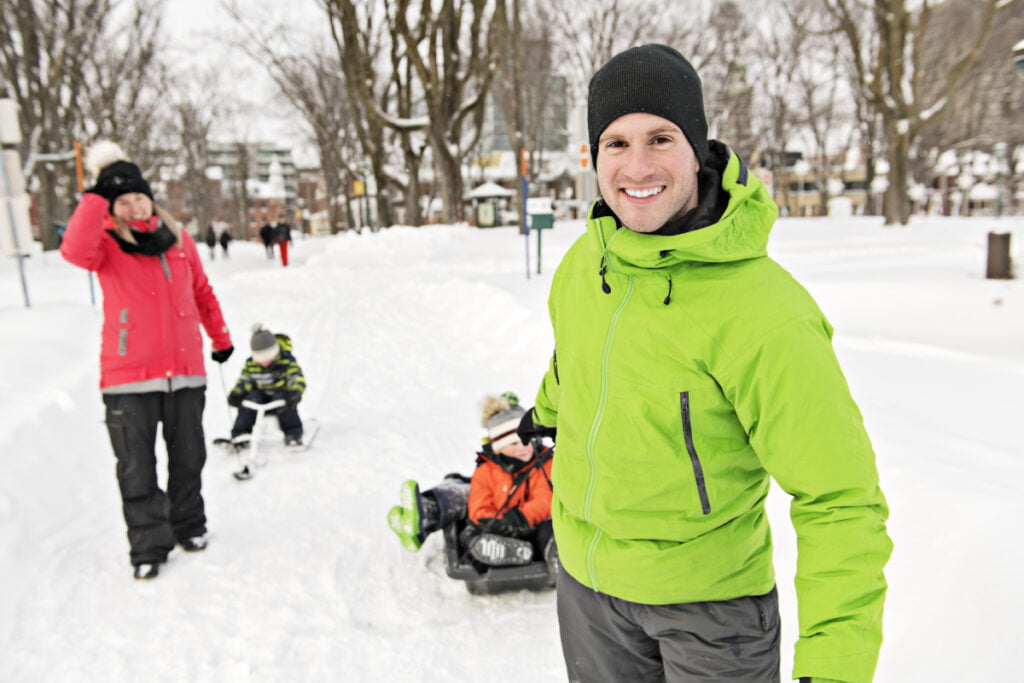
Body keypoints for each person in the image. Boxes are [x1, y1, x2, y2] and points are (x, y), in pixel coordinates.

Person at [516, 45, 892, 683]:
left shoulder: (764, 311)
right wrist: (544, 412)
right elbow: (574, 360)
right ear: (595, 157)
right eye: (616, 143)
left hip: (711, 615)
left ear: (696, 148)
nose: (638, 166)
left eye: (660, 139)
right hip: (586, 591)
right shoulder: (585, 263)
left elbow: (839, 498)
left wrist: (835, 667)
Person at [59, 141, 234, 581]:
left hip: (185, 372)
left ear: (150, 198)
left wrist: (220, 338)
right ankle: (148, 547)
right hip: (128, 377)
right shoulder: (104, 243)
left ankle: (189, 526)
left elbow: (201, 292)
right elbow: (73, 251)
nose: (134, 206)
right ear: (111, 206)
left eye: (139, 196)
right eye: (122, 200)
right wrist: (95, 197)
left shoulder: (178, 238)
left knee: (188, 458)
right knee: (137, 468)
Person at [387, 393, 555, 570]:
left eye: (527, 441)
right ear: (498, 448)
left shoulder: (544, 464)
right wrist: (496, 522)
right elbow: (478, 506)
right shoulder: (486, 471)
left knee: (550, 529)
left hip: (532, 526)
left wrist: (520, 518)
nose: (523, 448)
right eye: (513, 444)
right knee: (470, 535)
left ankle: (553, 556)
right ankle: (507, 552)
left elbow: (545, 499)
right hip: (499, 531)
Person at [227, 324, 307, 449]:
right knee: (248, 402)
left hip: (281, 396)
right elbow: (245, 381)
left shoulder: (286, 361)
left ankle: (293, 434)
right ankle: (240, 435)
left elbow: (296, 377)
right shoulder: (251, 364)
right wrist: (237, 393)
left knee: (285, 405)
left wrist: (296, 391)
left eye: (267, 358)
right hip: (261, 396)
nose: (264, 362)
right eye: (260, 359)